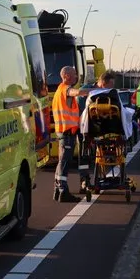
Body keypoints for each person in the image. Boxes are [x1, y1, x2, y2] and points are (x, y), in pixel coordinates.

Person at [52, 66, 90, 202]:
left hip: (64, 131)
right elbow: (76, 92)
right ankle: (63, 191)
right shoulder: (65, 89)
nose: (76, 77)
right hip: (67, 132)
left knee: (62, 161)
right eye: (74, 74)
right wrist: (91, 91)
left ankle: (58, 189)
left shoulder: (58, 91)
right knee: (65, 162)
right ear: (66, 76)